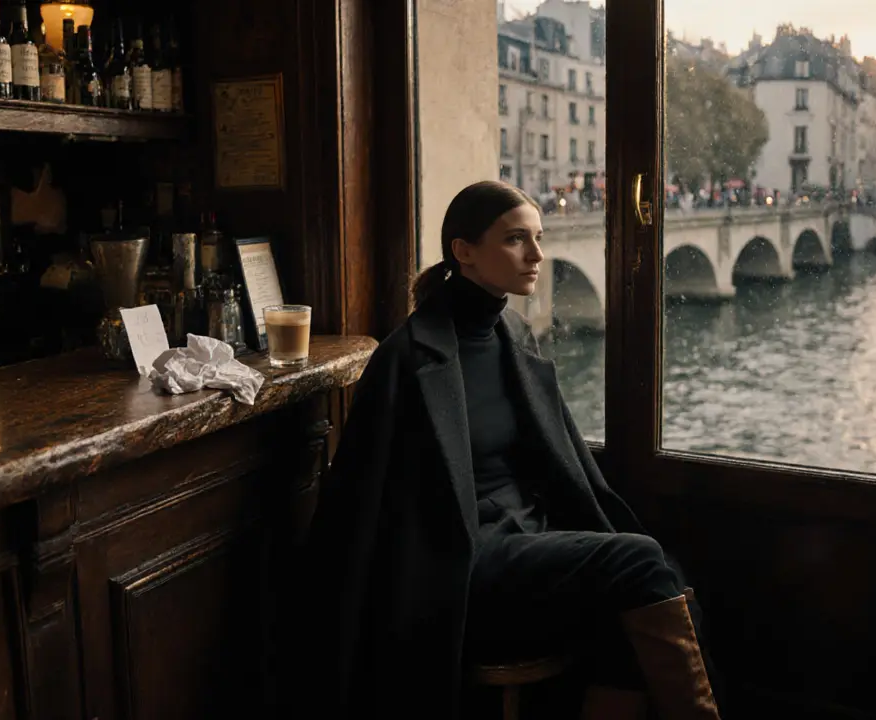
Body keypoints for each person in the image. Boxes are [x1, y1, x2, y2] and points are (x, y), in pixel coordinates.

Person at [286, 180, 723, 719]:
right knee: (640, 561)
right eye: (517, 239)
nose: (537, 254)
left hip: (529, 540)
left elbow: (559, 456)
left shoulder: (514, 334)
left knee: (659, 573)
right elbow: (358, 506)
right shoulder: (407, 358)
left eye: (538, 238)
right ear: (463, 252)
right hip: (463, 566)